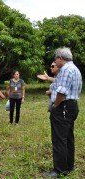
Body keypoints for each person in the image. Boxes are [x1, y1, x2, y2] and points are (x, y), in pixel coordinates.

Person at [43, 47, 82, 177]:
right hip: (72, 106)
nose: (55, 61)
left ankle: (59, 170)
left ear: (61, 58)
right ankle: (69, 166)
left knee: (59, 138)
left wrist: (55, 105)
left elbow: (61, 92)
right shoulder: (75, 69)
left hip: (63, 107)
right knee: (68, 137)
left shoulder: (65, 69)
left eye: (56, 58)